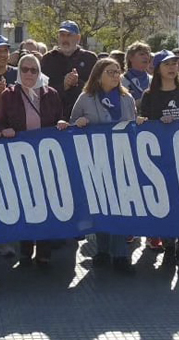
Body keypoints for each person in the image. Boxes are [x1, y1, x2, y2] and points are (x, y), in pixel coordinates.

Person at [0, 53, 68, 267]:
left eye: (33, 70)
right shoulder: (8, 95)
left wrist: (63, 124)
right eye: (24, 69)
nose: (29, 73)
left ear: (39, 72)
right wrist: (4, 130)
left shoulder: (51, 94)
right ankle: (26, 248)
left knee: (45, 203)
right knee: (26, 203)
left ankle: (44, 250)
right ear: (19, 71)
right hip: (20, 160)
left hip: (46, 160)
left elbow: (58, 119)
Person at [70, 57, 140, 274]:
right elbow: (72, 125)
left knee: (120, 208)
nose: (115, 75)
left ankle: (120, 255)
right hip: (96, 161)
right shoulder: (86, 98)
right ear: (98, 75)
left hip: (121, 160)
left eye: (117, 71)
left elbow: (132, 126)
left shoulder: (126, 98)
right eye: (110, 72)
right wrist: (78, 124)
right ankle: (102, 250)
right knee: (101, 206)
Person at [139, 50, 179, 266]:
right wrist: (156, 121)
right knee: (166, 201)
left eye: (175, 63)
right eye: (167, 64)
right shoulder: (149, 95)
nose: (172, 67)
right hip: (161, 158)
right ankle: (168, 246)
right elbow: (143, 124)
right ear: (157, 69)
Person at [42, 20, 98, 117]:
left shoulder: (90, 59)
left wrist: (77, 83)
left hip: (84, 115)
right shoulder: (48, 59)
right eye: (62, 35)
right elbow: (42, 90)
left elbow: (97, 88)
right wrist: (63, 86)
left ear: (78, 38)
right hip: (55, 115)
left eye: (69, 35)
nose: (65, 39)